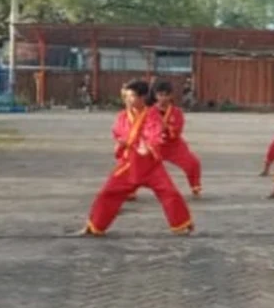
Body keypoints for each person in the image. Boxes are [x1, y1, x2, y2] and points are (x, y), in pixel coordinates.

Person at [81, 80, 194, 236]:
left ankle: (182, 224)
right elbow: (118, 132)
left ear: (142, 97)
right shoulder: (122, 116)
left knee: (170, 193)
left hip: (150, 165)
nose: (128, 99)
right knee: (107, 193)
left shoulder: (152, 114)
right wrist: (127, 142)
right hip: (129, 164)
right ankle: (95, 226)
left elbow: (154, 131)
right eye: (127, 96)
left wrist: (147, 145)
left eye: (132, 96)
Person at [151, 80, 203, 198]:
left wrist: (167, 128)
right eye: (160, 95)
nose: (163, 98)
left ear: (171, 95)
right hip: (154, 146)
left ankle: (195, 186)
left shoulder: (177, 112)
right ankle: (130, 190)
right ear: (155, 95)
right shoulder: (149, 112)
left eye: (166, 95)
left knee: (193, 163)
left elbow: (178, 129)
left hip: (173, 145)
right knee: (134, 164)